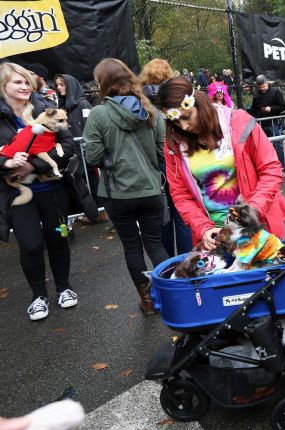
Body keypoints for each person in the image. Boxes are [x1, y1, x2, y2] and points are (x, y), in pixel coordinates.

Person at [157, 76, 285, 250]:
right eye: (175, 121)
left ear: (198, 105)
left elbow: (271, 169)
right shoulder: (174, 144)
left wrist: (252, 210)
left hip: (259, 229)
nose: (183, 126)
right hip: (217, 240)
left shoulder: (239, 122)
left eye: (187, 116)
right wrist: (204, 228)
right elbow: (181, 194)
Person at [82, 58, 169, 316]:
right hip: (151, 189)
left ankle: (147, 302)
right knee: (155, 245)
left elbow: (93, 157)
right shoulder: (150, 110)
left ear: (103, 83)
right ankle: (172, 295)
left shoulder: (98, 114)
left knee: (132, 246)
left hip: (116, 193)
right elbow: (161, 152)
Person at [0, 63, 77, 320]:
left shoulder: (46, 108)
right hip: (18, 193)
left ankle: (64, 288)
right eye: (17, 82)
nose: (24, 87)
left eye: (26, 81)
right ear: (4, 86)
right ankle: (38, 296)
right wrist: (7, 163)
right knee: (30, 244)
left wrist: (34, 164)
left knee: (58, 238)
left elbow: (67, 145)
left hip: (52, 189)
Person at [139, 58, 194, 257]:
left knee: (162, 216)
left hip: (152, 167)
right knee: (182, 212)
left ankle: (167, 263)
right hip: (177, 161)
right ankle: (188, 260)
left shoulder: (139, 102)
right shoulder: (175, 98)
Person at [54, 73, 101, 225]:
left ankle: (101, 212)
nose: (59, 88)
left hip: (85, 152)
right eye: (57, 85)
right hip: (73, 153)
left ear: (70, 85)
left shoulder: (83, 105)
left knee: (92, 180)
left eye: (62, 84)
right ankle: (92, 211)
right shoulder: (63, 107)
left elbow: (90, 127)